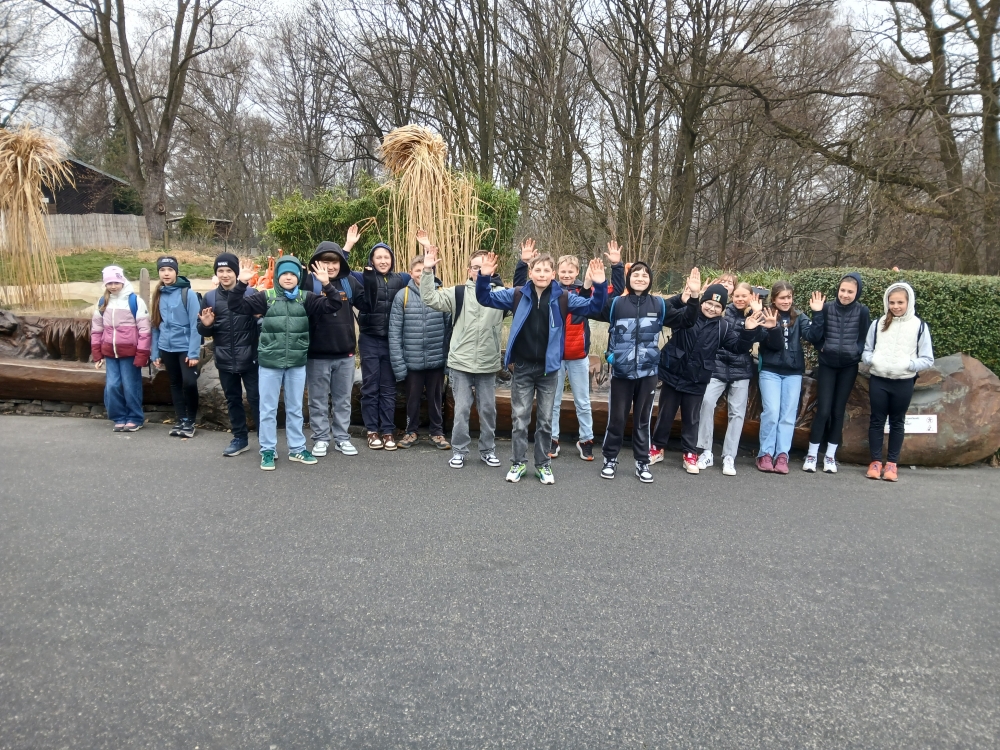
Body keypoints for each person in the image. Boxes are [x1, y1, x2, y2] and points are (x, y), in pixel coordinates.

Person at [476, 250, 608, 485]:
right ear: (531, 272)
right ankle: (518, 463)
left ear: (553, 274)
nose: (542, 274)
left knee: (545, 421)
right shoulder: (517, 294)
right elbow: (485, 298)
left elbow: (594, 308)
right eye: (537, 269)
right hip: (523, 368)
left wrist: (599, 284)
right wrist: (484, 277)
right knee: (519, 420)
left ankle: (543, 465)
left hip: (549, 371)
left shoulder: (563, 297)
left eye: (547, 270)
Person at [227, 256, 346, 471]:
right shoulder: (266, 297)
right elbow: (235, 305)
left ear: (299, 277)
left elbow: (334, 304)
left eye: (292, 274)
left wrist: (326, 284)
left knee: (295, 408)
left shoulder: (305, 298)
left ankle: (297, 448)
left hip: (296, 362)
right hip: (269, 363)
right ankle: (267, 450)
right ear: (277, 277)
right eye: (284, 274)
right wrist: (242, 283)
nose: (288, 277)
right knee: (268, 409)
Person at [649, 269, 762, 474]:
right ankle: (657, 447)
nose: (712, 308)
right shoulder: (687, 314)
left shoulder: (723, 327)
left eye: (717, 306)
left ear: (722, 309)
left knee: (692, 418)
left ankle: (690, 452)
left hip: (697, 378)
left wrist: (748, 330)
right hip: (674, 373)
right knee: (666, 413)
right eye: (708, 303)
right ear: (702, 302)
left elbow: (738, 347)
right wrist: (686, 296)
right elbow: (665, 311)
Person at [589, 260, 685, 481]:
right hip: (621, 372)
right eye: (636, 274)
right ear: (629, 278)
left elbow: (686, 320)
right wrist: (597, 285)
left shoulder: (659, 304)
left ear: (650, 280)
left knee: (642, 421)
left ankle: (642, 462)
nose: (640, 278)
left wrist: (696, 297)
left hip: (648, 373)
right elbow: (592, 309)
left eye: (644, 275)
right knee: (617, 419)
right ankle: (610, 459)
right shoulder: (617, 303)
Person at [419, 237, 506, 471]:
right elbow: (429, 298)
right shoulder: (457, 293)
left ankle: (488, 450)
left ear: (492, 269)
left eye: (484, 266)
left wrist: (525, 264)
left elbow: (522, 300)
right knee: (461, 410)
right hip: (461, 363)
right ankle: (459, 451)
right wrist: (427, 271)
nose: (479, 271)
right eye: (475, 267)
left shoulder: (500, 295)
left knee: (488, 411)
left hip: (487, 363)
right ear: (469, 270)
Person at [301, 227, 365, 458]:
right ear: (316, 263)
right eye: (325, 261)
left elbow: (367, 304)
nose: (330, 266)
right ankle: (320, 438)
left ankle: (341, 438)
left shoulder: (349, 283)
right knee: (317, 401)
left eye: (334, 262)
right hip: (317, 354)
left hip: (345, 353)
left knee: (342, 401)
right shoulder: (309, 283)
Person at [862, 281, 934, 482]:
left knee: (897, 422)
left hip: (903, 382)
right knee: (876, 421)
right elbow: (866, 350)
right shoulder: (878, 324)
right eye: (892, 302)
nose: (895, 306)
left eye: (900, 302)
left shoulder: (919, 326)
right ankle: (875, 462)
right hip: (879, 380)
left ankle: (892, 464)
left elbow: (927, 359)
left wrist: (908, 365)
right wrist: (872, 360)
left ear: (909, 302)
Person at [802, 273, 871, 473]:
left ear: (857, 293)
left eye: (850, 291)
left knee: (838, 411)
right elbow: (815, 336)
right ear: (837, 290)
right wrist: (822, 345)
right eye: (842, 290)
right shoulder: (826, 308)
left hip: (849, 366)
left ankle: (830, 456)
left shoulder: (862, 311)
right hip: (827, 365)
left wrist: (856, 351)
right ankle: (812, 454)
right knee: (823, 410)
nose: (845, 295)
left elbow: (864, 336)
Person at [695, 282, 765, 476]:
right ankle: (705, 451)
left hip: (740, 369)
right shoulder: (723, 311)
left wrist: (757, 314)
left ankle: (729, 456)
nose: (740, 299)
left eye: (744, 296)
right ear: (732, 297)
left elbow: (761, 337)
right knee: (706, 402)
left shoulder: (755, 313)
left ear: (751, 297)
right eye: (737, 296)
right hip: (717, 366)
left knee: (737, 412)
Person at [196, 252, 261, 457]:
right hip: (224, 358)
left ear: (236, 272)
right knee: (232, 400)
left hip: (250, 357)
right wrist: (206, 325)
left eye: (229, 271)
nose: (225, 275)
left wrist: (259, 318)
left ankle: (266, 440)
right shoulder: (210, 297)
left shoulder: (251, 293)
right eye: (220, 271)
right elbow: (203, 329)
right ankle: (240, 438)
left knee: (257, 399)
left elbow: (261, 326)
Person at [389, 254, 452, 450]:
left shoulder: (442, 294)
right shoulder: (403, 296)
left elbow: (449, 330)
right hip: (412, 361)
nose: (421, 274)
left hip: (436, 359)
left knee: (436, 398)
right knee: (412, 400)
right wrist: (399, 365)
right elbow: (394, 333)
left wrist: (447, 361)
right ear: (411, 273)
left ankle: (437, 432)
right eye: (417, 270)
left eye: (425, 270)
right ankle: (411, 431)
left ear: (432, 271)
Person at [357, 243, 411, 450]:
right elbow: (342, 272)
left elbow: (422, 276)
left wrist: (426, 252)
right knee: (370, 387)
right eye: (378, 257)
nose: (383, 261)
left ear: (392, 260)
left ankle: (388, 431)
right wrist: (348, 246)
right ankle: (372, 430)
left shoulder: (401, 279)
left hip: (392, 341)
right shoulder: (364, 278)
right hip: (369, 339)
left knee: (388, 388)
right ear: (371, 260)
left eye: (386, 257)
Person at [756, 280, 813, 474]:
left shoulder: (800, 317)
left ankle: (782, 455)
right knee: (771, 412)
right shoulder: (766, 315)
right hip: (770, 371)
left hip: (793, 373)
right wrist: (771, 326)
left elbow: (812, 335)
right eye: (782, 298)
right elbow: (769, 343)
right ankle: (765, 453)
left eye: (789, 297)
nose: (786, 301)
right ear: (774, 299)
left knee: (788, 416)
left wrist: (819, 314)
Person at [90, 265, 151, 432]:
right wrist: (97, 354)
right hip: (110, 353)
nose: (113, 286)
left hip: (130, 353)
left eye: (116, 282)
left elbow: (145, 330)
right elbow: (96, 329)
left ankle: (135, 418)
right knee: (112, 386)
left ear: (122, 281)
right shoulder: (103, 302)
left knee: (130, 386)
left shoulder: (135, 301)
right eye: (109, 283)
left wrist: (142, 354)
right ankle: (118, 417)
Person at [150, 256, 201, 438]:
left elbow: (196, 325)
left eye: (170, 270)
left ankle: (191, 420)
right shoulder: (158, 294)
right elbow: (156, 325)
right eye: (162, 270)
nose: (166, 273)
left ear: (176, 272)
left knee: (189, 382)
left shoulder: (188, 294)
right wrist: (155, 352)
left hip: (185, 347)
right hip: (166, 347)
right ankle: (181, 419)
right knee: (175, 383)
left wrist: (193, 352)